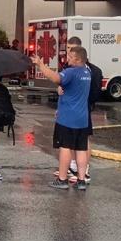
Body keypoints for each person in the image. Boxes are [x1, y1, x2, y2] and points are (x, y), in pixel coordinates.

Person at [33, 46, 92, 190]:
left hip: (67, 118)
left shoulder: (71, 72)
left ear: (78, 59)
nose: (68, 59)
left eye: (71, 57)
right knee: (81, 149)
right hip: (82, 118)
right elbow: (70, 87)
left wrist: (40, 65)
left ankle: (62, 179)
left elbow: (55, 78)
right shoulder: (87, 72)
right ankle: (81, 180)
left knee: (65, 147)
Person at [57, 37, 102, 183]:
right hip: (69, 110)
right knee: (71, 142)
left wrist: (83, 102)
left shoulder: (91, 70)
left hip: (82, 109)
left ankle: (84, 171)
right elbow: (63, 84)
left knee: (82, 141)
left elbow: (95, 92)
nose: (68, 51)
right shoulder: (68, 68)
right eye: (68, 48)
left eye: (71, 49)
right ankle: (71, 168)